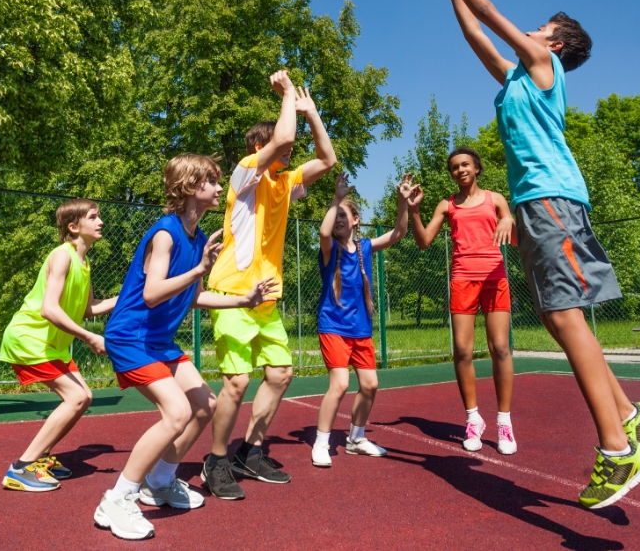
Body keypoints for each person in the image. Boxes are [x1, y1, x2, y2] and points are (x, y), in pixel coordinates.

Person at [418, 0, 640, 510]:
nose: (528, 31)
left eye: (538, 28)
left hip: (552, 200)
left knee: (563, 316)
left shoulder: (545, 65)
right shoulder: (516, 80)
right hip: (536, 206)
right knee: (560, 322)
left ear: (554, 41)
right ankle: (632, 417)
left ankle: (617, 448)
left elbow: (492, 14)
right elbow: (476, 32)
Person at [95, 154, 274, 541]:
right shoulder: (165, 233)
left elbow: (194, 298)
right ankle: (117, 498)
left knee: (205, 405)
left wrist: (244, 300)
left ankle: (159, 481)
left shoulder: (196, 240)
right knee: (175, 413)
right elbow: (154, 292)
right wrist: (198, 271)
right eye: (211, 181)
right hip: (131, 337)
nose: (217, 188)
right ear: (191, 186)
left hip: (158, 340)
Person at [203, 70, 338, 500]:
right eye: (281, 145)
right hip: (231, 296)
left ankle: (251, 450)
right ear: (261, 149)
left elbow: (327, 160)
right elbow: (283, 140)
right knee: (237, 383)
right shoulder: (245, 175)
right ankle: (216, 460)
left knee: (280, 374)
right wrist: (284, 96)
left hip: (266, 298)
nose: (289, 148)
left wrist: (312, 112)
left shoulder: (284, 183)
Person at [0, 198, 117, 492]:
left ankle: (41, 459)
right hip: (30, 339)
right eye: (93, 217)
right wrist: (89, 337)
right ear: (74, 227)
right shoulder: (62, 256)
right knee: (76, 398)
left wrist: (130, 296)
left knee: (83, 397)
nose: (100, 221)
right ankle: (22, 468)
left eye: (99, 216)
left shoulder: (85, 262)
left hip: (51, 345)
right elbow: (49, 309)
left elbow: (89, 308)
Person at [408, 147, 517, 455]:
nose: (460, 170)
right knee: (462, 350)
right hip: (462, 279)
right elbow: (423, 241)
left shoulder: (495, 199)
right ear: (452, 174)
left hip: (495, 277)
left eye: (465, 164)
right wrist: (414, 210)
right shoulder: (447, 205)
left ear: (477, 168)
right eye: (455, 167)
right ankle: (473, 419)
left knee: (500, 347)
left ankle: (504, 423)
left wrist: (507, 219)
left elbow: (509, 221)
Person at [310, 171, 412, 468]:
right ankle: (321, 442)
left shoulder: (366, 248)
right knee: (339, 384)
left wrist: (402, 202)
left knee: (370, 385)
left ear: (356, 220)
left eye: (344, 215)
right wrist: (336, 199)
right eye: (335, 215)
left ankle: (355, 439)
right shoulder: (330, 250)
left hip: (361, 329)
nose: (339, 219)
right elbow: (323, 233)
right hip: (334, 326)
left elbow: (398, 233)